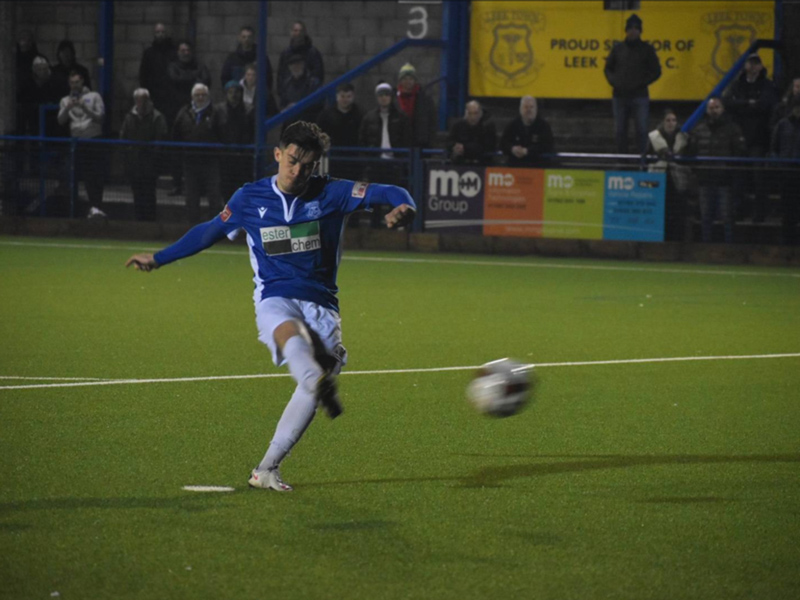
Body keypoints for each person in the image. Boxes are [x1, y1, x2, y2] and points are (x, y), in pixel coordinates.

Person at [125, 121, 417, 492]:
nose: (298, 171)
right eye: (292, 160)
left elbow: (391, 191)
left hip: (322, 305)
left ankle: (266, 468)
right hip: (274, 296)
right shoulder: (250, 198)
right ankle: (313, 376)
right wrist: (160, 257)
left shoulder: (333, 193)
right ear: (277, 154)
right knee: (299, 349)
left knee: (316, 375)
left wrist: (405, 206)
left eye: (307, 165)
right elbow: (209, 231)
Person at [724, 53, 779, 222]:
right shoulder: (737, 84)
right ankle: (739, 210)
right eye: (751, 63)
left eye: (756, 64)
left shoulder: (767, 85)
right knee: (738, 176)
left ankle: (760, 212)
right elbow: (727, 102)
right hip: (740, 138)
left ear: (761, 67)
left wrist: (742, 105)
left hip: (759, 139)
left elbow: (766, 104)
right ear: (745, 66)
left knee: (758, 178)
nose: (753, 67)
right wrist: (750, 103)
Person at [685, 97, 746, 244]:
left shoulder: (732, 128)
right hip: (705, 179)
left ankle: (729, 246)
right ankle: (707, 246)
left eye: (717, 107)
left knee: (727, 216)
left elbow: (740, 152)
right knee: (706, 216)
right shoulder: (699, 129)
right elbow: (691, 151)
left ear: (723, 109)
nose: (714, 110)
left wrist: (731, 171)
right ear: (707, 110)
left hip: (724, 180)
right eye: (711, 108)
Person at [603, 13, 662, 155]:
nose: (633, 30)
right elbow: (608, 68)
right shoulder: (618, 48)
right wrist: (615, 82)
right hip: (620, 96)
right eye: (630, 28)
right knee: (620, 131)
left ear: (640, 30)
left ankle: (641, 161)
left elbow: (656, 71)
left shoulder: (647, 49)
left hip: (639, 96)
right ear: (626, 30)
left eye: (636, 28)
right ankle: (622, 162)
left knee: (641, 130)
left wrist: (641, 83)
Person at [57, 70, 106, 217]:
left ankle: (96, 207)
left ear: (82, 81)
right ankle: (74, 210)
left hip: (93, 140)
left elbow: (101, 117)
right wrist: (68, 107)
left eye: (77, 82)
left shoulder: (94, 96)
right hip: (76, 143)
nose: (74, 85)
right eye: (71, 83)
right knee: (73, 176)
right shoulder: (65, 100)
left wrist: (85, 107)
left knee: (94, 176)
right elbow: (60, 120)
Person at [166, 40, 211, 197]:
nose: (185, 53)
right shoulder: (173, 66)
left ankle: (201, 187)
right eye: (182, 50)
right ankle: (177, 184)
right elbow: (174, 80)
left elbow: (205, 80)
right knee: (177, 151)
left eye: (187, 50)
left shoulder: (200, 65)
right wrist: (193, 77)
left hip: (199, 114)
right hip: (178, 113)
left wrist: (186, 79)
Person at [172, 83, 221, 222]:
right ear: (192, 97)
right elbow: (176, 133)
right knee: (191, 197)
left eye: (203, 95)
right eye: (197, 95)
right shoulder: (184, 112)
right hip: (190, 161)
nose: (200, 98)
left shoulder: (215, 113)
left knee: (214, 196)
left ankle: (215, 228)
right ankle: (192, 227)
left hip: (210, 161)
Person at [119, 88, 168, 221]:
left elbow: (161, 139)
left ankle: (150, 223)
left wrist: (153, 156)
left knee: (149, 194)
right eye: (138, 100)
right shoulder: (130, 116)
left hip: (150, 164)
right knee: (137, 194)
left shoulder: (157, 117)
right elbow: (123, 137)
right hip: (134, 164)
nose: (140, 103)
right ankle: (138, 222)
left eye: (143, 100)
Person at [647, 108, 691, 241]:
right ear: (662, 122)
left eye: (673, 120)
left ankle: (677, 240)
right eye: (668, 120)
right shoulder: (653, 137)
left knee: (678, 212)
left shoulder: (684, 136)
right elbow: (646, 157)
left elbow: (690, 153)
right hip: (659, 180)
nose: (671, 123)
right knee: (660, 211)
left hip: (678, 181)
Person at [214, 81, 255, 201]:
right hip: (226, 157)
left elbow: (253, 132)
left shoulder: (249, 110)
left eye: (237, 92)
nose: (234, 95)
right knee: (226, 187)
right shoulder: (219, 110)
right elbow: (215, 131)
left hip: (243, 157)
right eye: (230, 92)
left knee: (243, 188)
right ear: (226, 94)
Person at [315, 82, 364, 180]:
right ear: (337, 96)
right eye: (342, 96)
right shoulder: (325, 115)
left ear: (353, 97)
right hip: (333, 158)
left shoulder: (360, 114)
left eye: (348, 96)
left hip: (353, 158)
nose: (345, 99)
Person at [770, 97, 800, 245]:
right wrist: (780, 164)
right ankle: (788, 241)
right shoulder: (783, 124)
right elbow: (774, 148)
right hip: (787, 173)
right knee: (787, 209)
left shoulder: (783, 124)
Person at [138, 23, 177, 124]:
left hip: (170, 95)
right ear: (154, 34)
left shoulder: (173, 52)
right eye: (158, 32)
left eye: (162, 32)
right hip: (154, 94)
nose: (160, 34)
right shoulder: (149, 53)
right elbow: (143, 74)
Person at [499, 96, 554, 167]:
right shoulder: (513, 125)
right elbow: (503, 144)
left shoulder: (543, 126)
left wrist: (527, 151)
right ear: (520, 109)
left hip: (538, 167)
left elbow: (547, 146)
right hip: (515, 166)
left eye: (531, 107)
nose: (529, 110)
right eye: (526, 107)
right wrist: (512, 149)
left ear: (536, 109)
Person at [17, 57, 62, 137]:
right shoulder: (27, 83)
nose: (42, 71)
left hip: (52, 119)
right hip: (34, 119)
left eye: (44, 68)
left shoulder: (56, 80)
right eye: (39, 69)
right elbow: (23, 101)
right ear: (34, 70)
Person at [396, 63, 437, 148]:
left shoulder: (425, 99)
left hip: (420, 145)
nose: (408, 81)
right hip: (398, 144)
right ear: (400, 81)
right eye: (405, 79)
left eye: (411, 78)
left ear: (415, 80)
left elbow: (432, 123)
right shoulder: (393, 98)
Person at [221, 26, 273, 93]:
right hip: (237, 97)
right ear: (239, 38)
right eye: (244, 37)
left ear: (253, 38)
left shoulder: (261, 57)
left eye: (249, 37)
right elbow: (225, 78)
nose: (246, 39)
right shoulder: (232, 58)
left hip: (256, 97)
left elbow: (268, 78)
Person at [277, 21, 324, 90]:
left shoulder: (313, 53)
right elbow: (281, 75)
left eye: (301, 31)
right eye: (295, 30)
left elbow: (318, 74)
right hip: (289, 96)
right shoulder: (285, 53)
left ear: (304, 33)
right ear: (291, 32)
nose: (298, 33)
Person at [446, 100, 497, 164]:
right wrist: (454, 146)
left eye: (475, 113)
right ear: (466, 113)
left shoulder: (487, 126)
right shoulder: (458, 125)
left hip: (482, 163)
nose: (473, 117)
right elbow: (449, 141)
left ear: (480, 113)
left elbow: (488, 146)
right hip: (460, 163)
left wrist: (464, 148)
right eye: (470, 113)